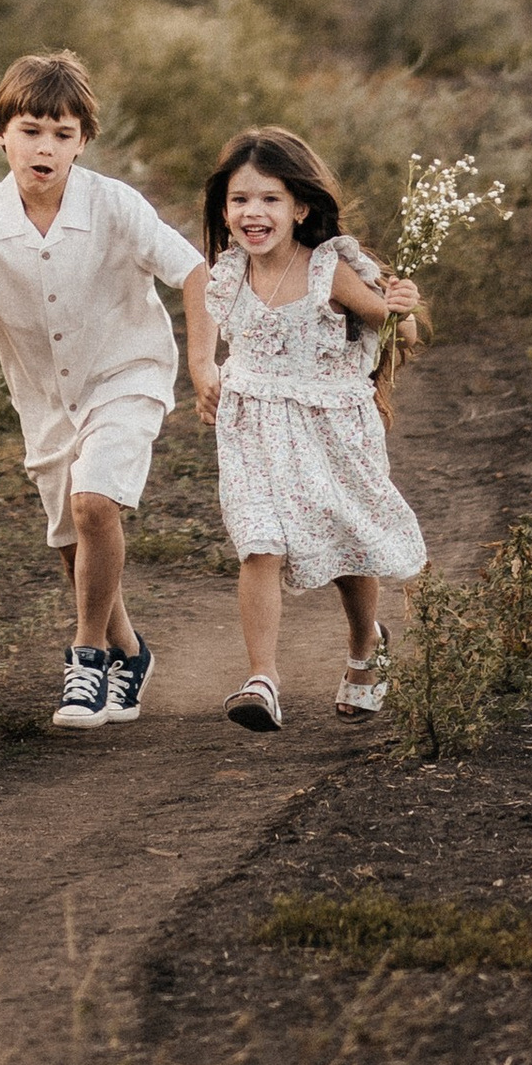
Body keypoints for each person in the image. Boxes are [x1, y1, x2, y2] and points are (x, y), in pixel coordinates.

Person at [0, 48, 214, 729]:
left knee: (95, 502)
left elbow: (194, 271)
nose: (44, 147)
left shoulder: (114, 205)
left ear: (82, 141)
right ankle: (130, 652)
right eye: (30, 130)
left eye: (62, 134)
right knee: (73, 537)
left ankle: (87, 656)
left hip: (127, 374)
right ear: (1, 134)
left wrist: (202, 363)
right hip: (44, 401)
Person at [190, 123, 426, 731]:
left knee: (348, 546)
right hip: (252, 428)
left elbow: (399, 334)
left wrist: (402, 310)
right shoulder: (228, 272)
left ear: (299, 207)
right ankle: (262, 679)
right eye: (240, 199)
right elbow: (215, 325)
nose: (253, 212)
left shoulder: (328, 269)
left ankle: (366, 647)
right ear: (224, 208)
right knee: (258, 542)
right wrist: (207, 375)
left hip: (330, 428)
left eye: (270, 198)